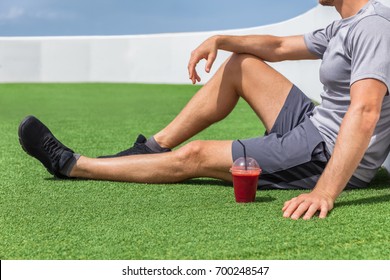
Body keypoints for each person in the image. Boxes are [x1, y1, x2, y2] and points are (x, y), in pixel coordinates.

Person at [19, 0, 390, 220]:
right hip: (314, 124)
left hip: (327, 152)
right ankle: (151, 149)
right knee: (242, 64)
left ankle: (72, 164)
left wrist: (324, 191)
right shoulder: (346, 25)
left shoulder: (373, 27)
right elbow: (276, 45)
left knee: (196, 156)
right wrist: (220, 39)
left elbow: (365, 112)